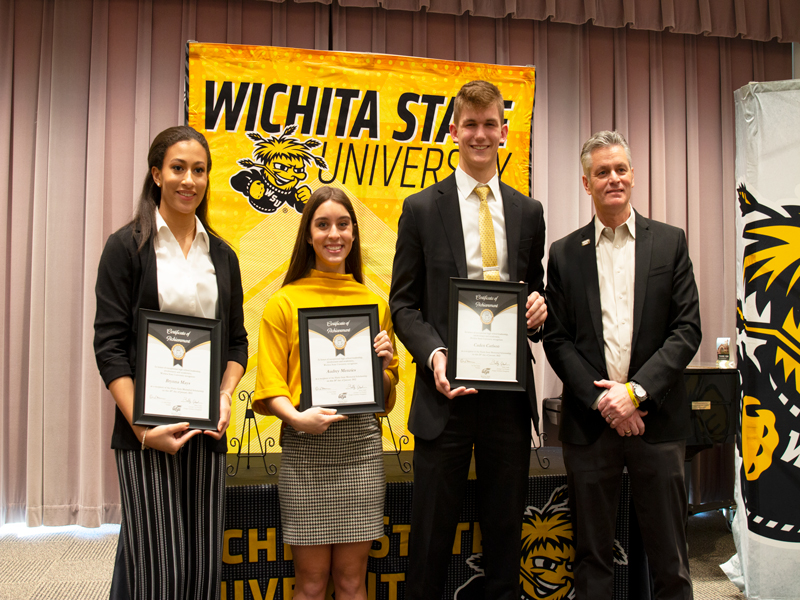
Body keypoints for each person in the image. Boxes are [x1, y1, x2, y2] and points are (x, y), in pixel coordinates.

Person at [389, 80, 547, 600]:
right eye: (470, 124)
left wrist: (539, 311)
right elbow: (403, 304)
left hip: (508, 396)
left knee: (505, 537)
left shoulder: (528, 212)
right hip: (445, 394)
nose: (480, 134)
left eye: (490, 124)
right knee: (430, 539)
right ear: (454, 131)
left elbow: (535, 292)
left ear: (504, 132)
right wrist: (434, 353)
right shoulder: (420, 209)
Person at [543, 130, 701, 599]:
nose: (612, 178)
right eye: (601, 172)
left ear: (632, 175)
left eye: (620, 169)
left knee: (670, 558)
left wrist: (634, 393)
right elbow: (557, 339)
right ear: (586, 183)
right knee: (591, 558)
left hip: (657, 420)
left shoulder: (670, 242)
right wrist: (605, 402)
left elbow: (686, 329)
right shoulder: (564, 253)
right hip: (591, 426)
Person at [94, 125, 248, 599]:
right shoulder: (126, 247)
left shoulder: (222, 255)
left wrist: (225, 396)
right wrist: (142, 429)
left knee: (201, 572)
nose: (189, 180)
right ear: (157, 174)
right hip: (147, 433)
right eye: (178, 168)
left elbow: (236, 344)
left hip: (207, 432)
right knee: (161, 572)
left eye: (199, 170)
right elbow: (110, 348)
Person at [253, 186, 399, 600]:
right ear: (308, 235)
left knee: (352, 582)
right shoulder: (282, 303)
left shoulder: (374, 304)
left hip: (360, 450)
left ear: (353, 233)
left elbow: (386, 399)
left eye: (343, 224)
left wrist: (384, 366)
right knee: (312, 583)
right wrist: (296, 419)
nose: (334, 234)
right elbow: (271, 385)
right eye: (322, 225)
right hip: (305, 449)